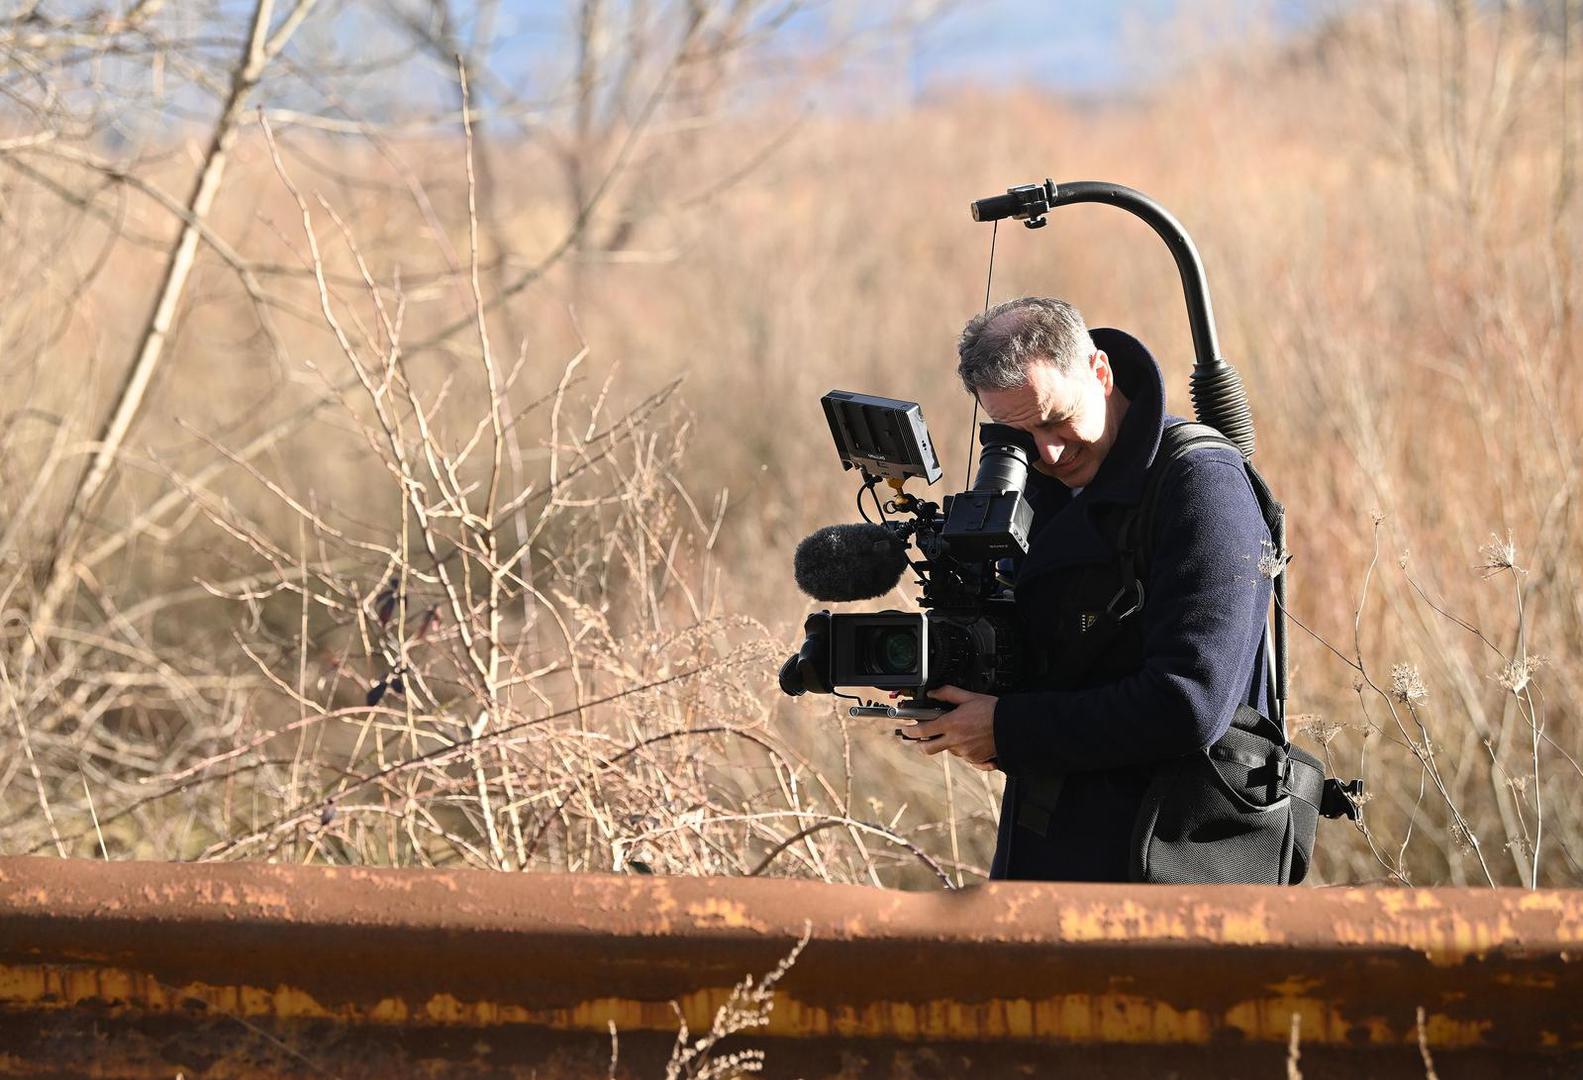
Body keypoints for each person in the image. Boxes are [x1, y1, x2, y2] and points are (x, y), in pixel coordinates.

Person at [900, 296, 1273, 882]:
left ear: (1100, 373)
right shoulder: (1035, 486)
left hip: (1171, 859)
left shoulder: (1202, 485)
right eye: (1018, 433)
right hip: (1051, 846)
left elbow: (1190, 702)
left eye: (1055, 418)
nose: (1048, 452)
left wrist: (1008, 728)